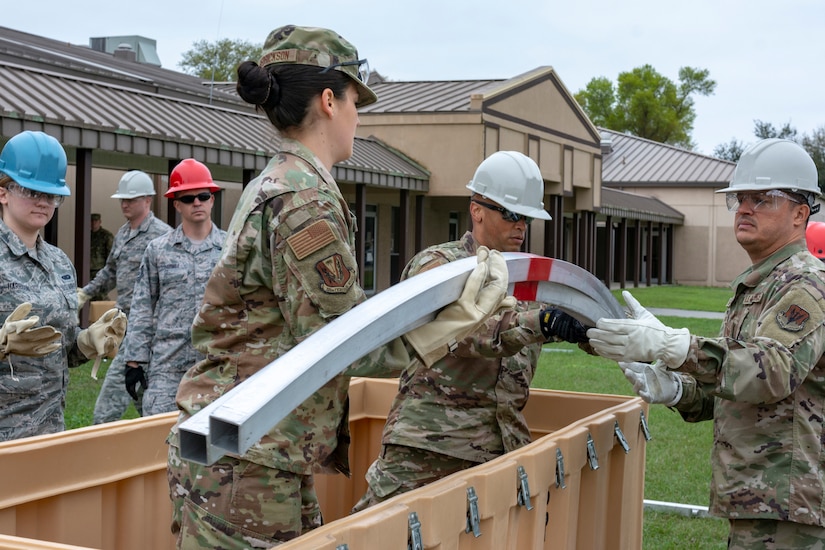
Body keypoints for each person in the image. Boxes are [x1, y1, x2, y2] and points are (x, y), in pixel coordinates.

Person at [166, 25, 510, 549]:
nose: (357, 116)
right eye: (355, 102)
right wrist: (453, 321)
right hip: (249, 460)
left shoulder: (281, 183)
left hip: (258, 450)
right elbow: (345, 345)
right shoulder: (304, 201)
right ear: (329, 101)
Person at [587, 138, 825, 549]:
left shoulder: (805, 283)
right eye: (740, 198)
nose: (746, 208)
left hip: (788, 503)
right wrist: (680, 391)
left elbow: (771, 373)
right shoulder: (759, 284)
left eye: (763, 198)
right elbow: (738, 392)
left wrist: (678, 347)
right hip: (761, 498)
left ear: (800, 213)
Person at [352, 150, 590, 512]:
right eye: (512, 214)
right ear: (477, 210)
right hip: (429, 449)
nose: (521, 226)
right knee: (375, 537)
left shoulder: (525, 279)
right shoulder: (439, 268)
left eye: (527, 217)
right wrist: (541, 323)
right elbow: (463, 332)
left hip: (499, 452)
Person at [0, 130, 126, 440]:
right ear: (3, 191)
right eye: (31, 191)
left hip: (51, 430)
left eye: (51, 195)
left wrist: (85, 343)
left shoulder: (58, 263)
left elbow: (62, 350)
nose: (43, 201)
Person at [122, 159, 225, 416]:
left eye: (203, 196)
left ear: (212, 200)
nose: (197, 202)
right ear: (176, 204)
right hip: (167, 366)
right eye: (188, 198)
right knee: (158, 437)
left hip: (217, 365)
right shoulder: (158, 250)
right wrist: (134, 360)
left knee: (214, 444)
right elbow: (143, 305)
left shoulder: (230, 249)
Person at [78, 170, 172, 423]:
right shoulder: (122, 234)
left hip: (149, 329)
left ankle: (102, 446)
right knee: (145, 398)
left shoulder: (163, 236)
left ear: (148, 201)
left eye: (131, 199)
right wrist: (85, 293)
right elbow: (110, 271)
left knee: (108, 407)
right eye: (122, 199)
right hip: (124, 326)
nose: (125, 204)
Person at [88, 212, 114, 300]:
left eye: (95, 221)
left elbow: (111, 255)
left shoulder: (106, 236)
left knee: (100, 296)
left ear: (100, 222)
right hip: (88, 270)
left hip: (100, 270)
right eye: (91, 221)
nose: (93, 223)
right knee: (88, 296)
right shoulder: (87, 235)